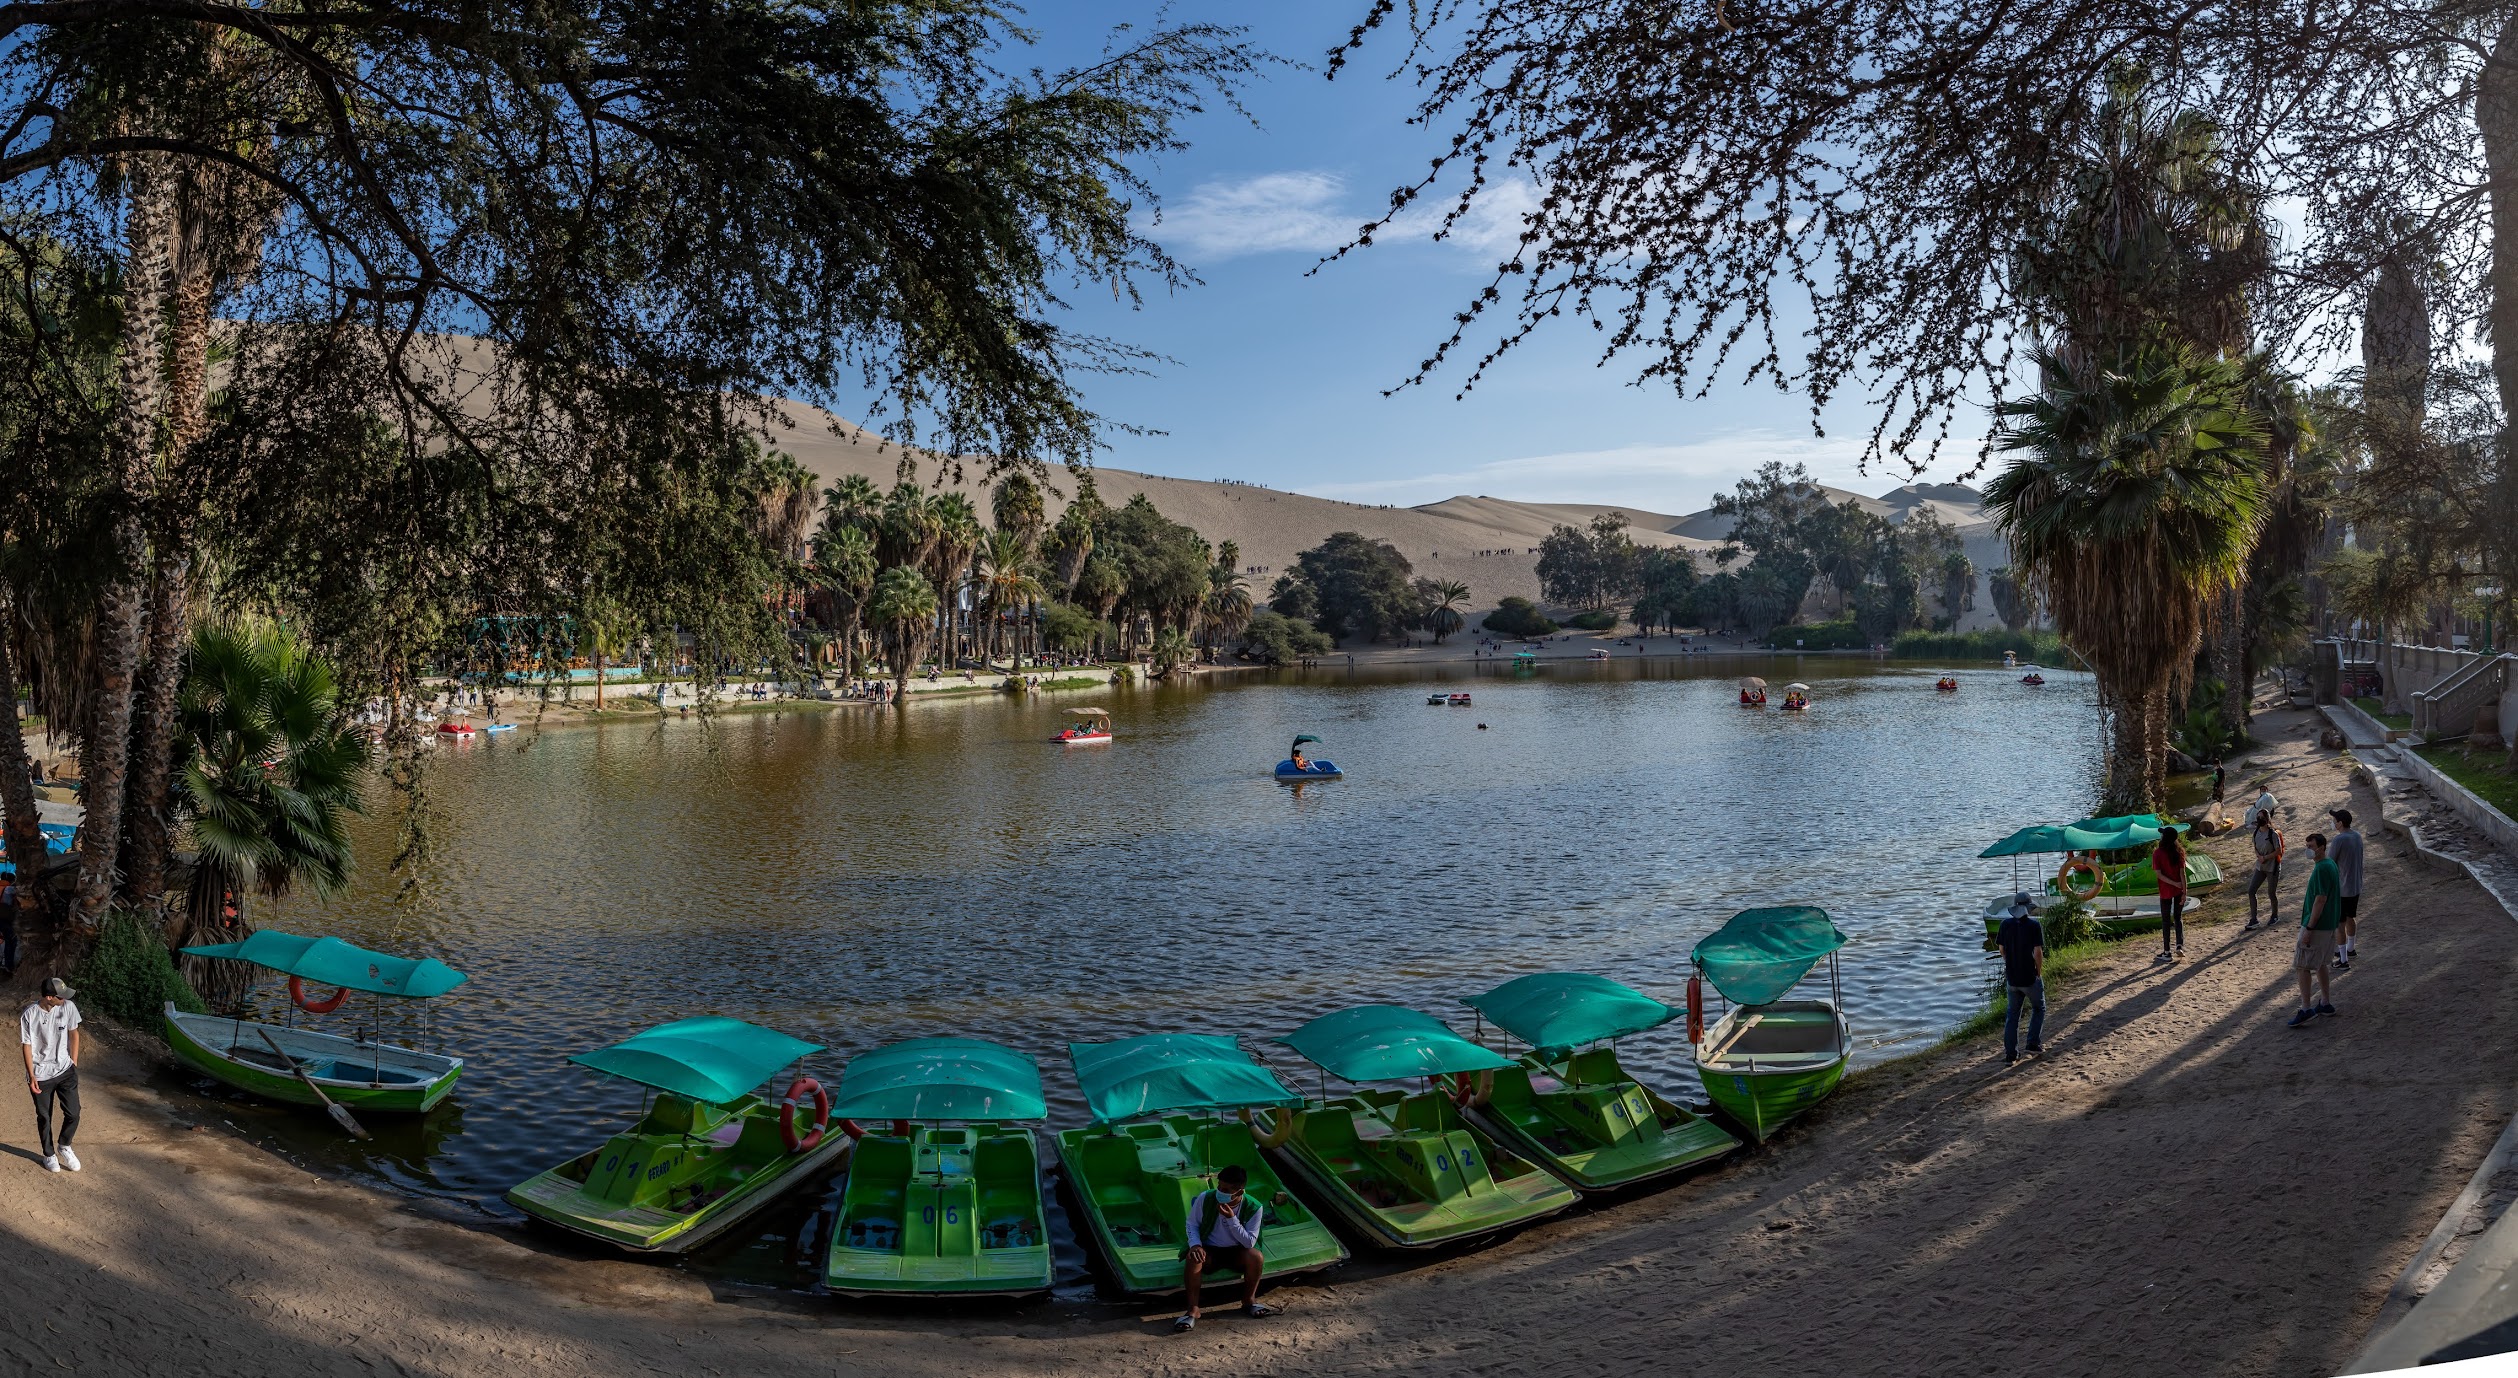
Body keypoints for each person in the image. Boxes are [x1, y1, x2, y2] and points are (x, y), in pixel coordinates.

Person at [1174, 1164, 1280, 1331]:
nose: (1220, 1193)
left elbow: (1249, 1243)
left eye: (1226, 1190)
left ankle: (1249, 1301)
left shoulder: (1255, 1207)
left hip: (1236, 1252)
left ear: (1239, 1191)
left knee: (1256, 1257)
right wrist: (1195, 1245)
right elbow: (1192, 1224)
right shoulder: (1205, 1198)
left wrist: (1232, 1219)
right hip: (1209, 1250)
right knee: (1193, 1258)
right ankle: (1193, 1310)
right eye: (1220, 1187)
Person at [20, 976, 81, 1171]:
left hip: (65, 1070)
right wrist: (31, 1076)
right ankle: (49, 1154)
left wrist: (74, 1061)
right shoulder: (29, 1015)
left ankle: (64, 1145)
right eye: (60, 997)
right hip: (41, 1074)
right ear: (48, 997)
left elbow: (74, 1032)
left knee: (74, 1113)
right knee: (44, 1116)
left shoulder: (68, 1007)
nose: (65, 999)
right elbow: (27, 1045)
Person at [2289, 834, 2342, 1027]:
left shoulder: (2322, 868)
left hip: (2318, 926)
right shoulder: (2330, 865)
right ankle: (2325, 1003)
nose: (2308, 849)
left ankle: (2305, 1008)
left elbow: (2320, 900)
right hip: (2329, 924)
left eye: (2311, 845)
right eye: (2306, 845)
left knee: (2302, 966)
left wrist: (2309, 928)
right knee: (2321, 964)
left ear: (2321, 847)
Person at [1995, 892, 2045, 1063]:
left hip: (2012, 978)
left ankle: (2011, 1054)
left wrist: (2009, 962)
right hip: (2029, 977)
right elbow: (2038, 952)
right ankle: (2032, 1043)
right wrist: (2038, 971)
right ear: (2029, 908)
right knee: (2039, 1008)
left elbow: (2001, 949)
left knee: (2013, 1015)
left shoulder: (2005, 924)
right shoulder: (2034, 925)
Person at [2330, 807, 2366, 970]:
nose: (2333, 823)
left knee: (2339, 924)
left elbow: (2330, 863)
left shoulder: (2339, 840)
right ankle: (2351, 949)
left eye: (2335, 820)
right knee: (2351, 917)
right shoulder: (2357, 836)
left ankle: (2343, 959)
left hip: (2342, 888)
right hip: (2355, 886)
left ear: (2341, 823)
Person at [2153, 826, 2189, 961]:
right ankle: (2179, 945)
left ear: (2164, 838)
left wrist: (2173, 884)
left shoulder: (2158, 853)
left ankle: (2167, 952)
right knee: (2178, 918)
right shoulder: (2179, 852)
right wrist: (2184, 891)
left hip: (2165, 891)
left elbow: (2159, 875)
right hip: (2178, 890)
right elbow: (2182, 874)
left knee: (2166, 921)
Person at [2245, 812, 2284, 929]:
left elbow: (2279, 851)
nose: (2260, 819)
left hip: (2272, 867)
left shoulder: (2273, 834)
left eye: (2262, 817)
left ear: (2267, 819)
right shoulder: (2256, 832)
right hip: (2260, 867)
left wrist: (2265, 858)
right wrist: (2259, 857)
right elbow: (2255, 848)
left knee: (2271, 893)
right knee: (2251, 891)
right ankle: (2254, 919)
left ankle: (2274, 916)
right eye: (2258, 817)